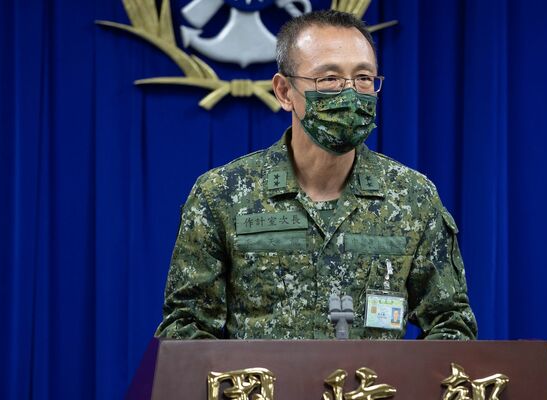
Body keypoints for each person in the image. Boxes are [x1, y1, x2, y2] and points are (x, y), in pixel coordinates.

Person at [155, 10, 477, 340]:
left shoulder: (412, 198)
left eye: (364, 78)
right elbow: (185, 328)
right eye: (329, 79)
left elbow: (451, 324)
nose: (350, 94)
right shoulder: (221, 195)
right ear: (284, 91)